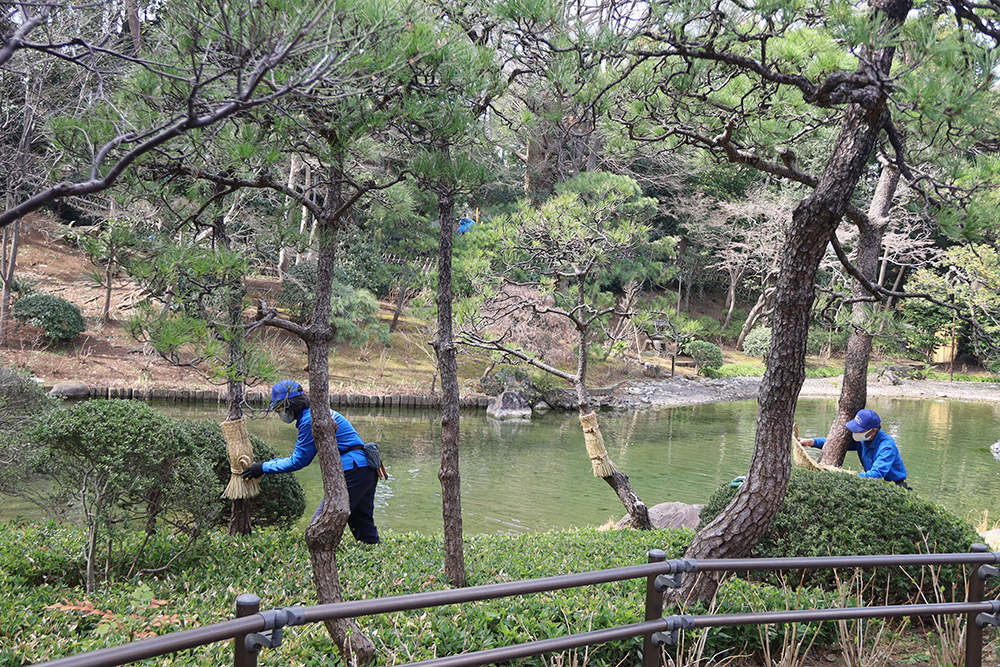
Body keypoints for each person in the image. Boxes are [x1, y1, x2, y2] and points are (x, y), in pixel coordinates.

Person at [241, 380, 380, 544]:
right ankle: (376, 556)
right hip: (365, 469)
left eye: (279, 408)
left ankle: (318, 560)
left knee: (319, 526)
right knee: (362, 526)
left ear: (290, 405)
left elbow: (298, 461)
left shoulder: (310, 420)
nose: (280, 413)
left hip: (354, 470)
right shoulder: (317, 413)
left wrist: (263, 467)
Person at [798, 408, 911, 489]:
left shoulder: (886, 446)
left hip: (894, 486)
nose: (855, 432)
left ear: (873, 431)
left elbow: (877, 474)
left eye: (859, 430)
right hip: (873, 483)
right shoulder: (862, 440)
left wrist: (847, 477)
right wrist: (811, 442)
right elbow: (836, 444)